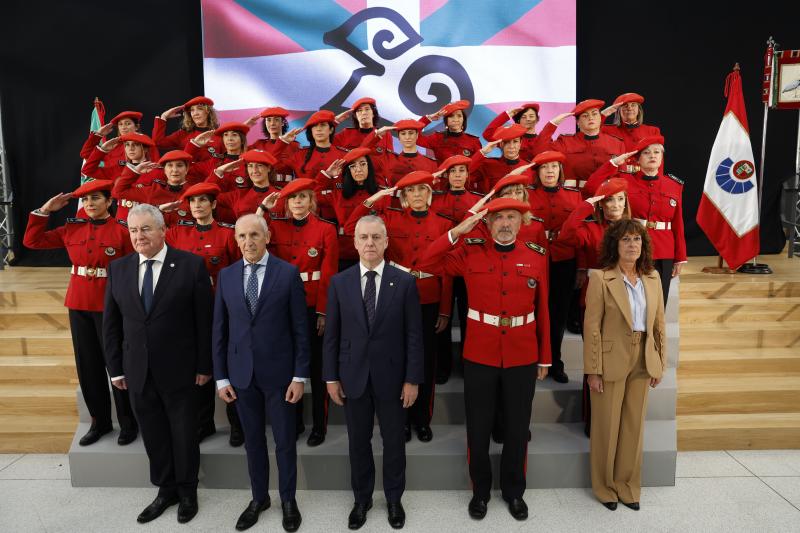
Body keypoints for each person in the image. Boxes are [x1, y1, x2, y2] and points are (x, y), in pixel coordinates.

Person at [419, 198, 550, 521]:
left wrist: (544, 357)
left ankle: (513, 492)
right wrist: (457, 232)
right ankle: (480, 491)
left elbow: (544, 309)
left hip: (521, 353)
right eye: (498, 219)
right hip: (480, 353)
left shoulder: (535, 257)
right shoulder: (469, 253)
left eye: (511, 218)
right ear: (487, 224)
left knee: (518, 429)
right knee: (477, 428)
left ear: (521, 223)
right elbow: (427, 261)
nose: (505, 224)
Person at [103, 203, 213, 524]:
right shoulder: (118, 269)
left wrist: (204, 366)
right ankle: (165, 489)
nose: (139, 236)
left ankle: (188, 490)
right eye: (134, 230)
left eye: (146, 229)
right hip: (137, 370)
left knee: (183, 433)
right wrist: (116, 368)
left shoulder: (191, 266)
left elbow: (204, 322)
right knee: (153, 433)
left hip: (181, 369)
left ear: (163, 230)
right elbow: (111, 325)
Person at [322, 215, 424, 530]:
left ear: (386, 241)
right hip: (352, 376)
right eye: (364, 237)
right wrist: (330, 377)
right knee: (358, 442)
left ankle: (394, 499)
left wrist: (412, 379)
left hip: (393, 378)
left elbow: (413, 336)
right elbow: (333, 336)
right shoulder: (340, 282)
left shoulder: (404, 282)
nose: (369, 243)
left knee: (394, 441)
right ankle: (362, 499)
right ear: (354, 242)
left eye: (376, 237)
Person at [212, 214, 309, 532]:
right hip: (241, 376)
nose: (248, 241)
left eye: (254, 234)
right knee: (253, 442)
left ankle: (288, 500)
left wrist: (299, 376)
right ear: (236, 240)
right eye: (241, 236)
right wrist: (221, 376)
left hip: (280, 377)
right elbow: (220, 331)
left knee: (284, 442)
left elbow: (300, 329)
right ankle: (258, 498)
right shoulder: (225, 276)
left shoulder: (288, 273)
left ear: (267, 237)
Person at [23, 180, 138, 446]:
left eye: (96, 198)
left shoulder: (122, 230)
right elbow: (33, 241)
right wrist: (44, 210)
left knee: (116, 365)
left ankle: (128, 422)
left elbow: (134, 268)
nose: (89, 204)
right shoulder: (72, 228)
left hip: (111, 305)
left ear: (109, 202)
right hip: (78, 303)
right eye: (85, 200)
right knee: (88, 367)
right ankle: (100, 422)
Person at [346, 171, 453, 443]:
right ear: (403, 197)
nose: (417, 195)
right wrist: (375, 198)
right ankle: (401, 420)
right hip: (394, 296)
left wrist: (444, 309)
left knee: (425, 361)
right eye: (411, 191)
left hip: (429, 297)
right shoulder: (390, 219)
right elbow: (351, 227)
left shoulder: (443, 224)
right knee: (396, 361)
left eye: (422, 190)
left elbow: (448, 271)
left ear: (430, 194)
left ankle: (422, 419)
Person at [584, 218, 666, 512]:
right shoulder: (601, 278)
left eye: (636, 240)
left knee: (633, 427)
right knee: (607, 426)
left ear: (643, 246)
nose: (632, 245)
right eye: (626, 240)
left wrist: (660, 361)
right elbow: (592, 327)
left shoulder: (653, 278)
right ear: (615, 245)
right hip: (611, 358)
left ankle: (627, 485)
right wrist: (593, 370)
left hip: (643, 356)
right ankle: (604, 486)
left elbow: (658, 324)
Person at [164, 182, 244, 447]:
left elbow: (238, 272)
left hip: (222, 306)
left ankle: (236, 424)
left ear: (212, 205)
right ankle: (204, 423)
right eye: (193, 202)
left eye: (202, 201)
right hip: (188, 310)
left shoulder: (226, 234)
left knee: (229, 364)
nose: (197, 206)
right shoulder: (176, 234)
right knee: (199, 365)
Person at [557, 178, 631, 436]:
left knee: (621, 360)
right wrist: (586, 206)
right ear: (601, 204)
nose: (615, 205)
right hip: (595, 301)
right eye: (609, 199)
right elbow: (566, 235)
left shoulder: (634, 229)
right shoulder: (591, 229)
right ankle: (593, 418)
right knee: (595, 362)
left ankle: (618, 416)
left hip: (627, 302)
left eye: (620, 199)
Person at [268, 178, 339, 446]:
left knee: (319, 368)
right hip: (283, 306)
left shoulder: (326, 229)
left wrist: (323, 311)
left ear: (312, 201)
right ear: (286, 203)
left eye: (303, 197)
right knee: (288, 367)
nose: (297, 202)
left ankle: (319, 426)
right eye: (292, 198)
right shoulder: (274, 227)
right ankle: (294, 421)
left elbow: (329, 274)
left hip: (312, 304)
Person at [583, 135, 686, 303]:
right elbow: (591, 188)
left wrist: (680, 256)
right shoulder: (625, 181)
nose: (652, 156)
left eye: (657, 152)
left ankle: (655, 331)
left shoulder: (674, 185)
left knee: (659, 302)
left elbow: (678, 222)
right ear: (637, 158)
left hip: (664, 250)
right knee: (632, 302)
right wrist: (614, 164)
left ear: (662, 157)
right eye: (646, 153)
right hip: (631, 248)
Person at [527, 151, 581, 383]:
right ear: (537, 173)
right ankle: (531, 361)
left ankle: (555, 362)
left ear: (560, 171)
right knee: (532, 313)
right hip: (532, 261)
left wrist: (582, 267)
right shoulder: (526, 197)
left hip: (563, 261)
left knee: (557, 314)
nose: (550, 171)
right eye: (544, 167)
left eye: (554, 167)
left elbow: (580, 235)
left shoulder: (574, 197)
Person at [535, 99, 626, 193]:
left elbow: (623, 175)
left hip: (608, 196)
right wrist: (553, 124)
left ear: (601, 117)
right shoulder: (566, 142)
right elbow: (539, 151)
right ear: (577, 123)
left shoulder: (617, 143)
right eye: (585, 116)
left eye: (594, 114)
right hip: (577, 196)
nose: (590, 118)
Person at [469, 124, 532, 193]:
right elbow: (466, 176)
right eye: (507, 142)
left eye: (515, 141)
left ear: (520, 143)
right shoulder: (488, 164)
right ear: (501, 144)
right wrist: (482, 152)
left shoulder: (529, 168)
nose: (511, 146)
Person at [416, 100, 483, 163]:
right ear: (446, 120)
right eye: (451, 116)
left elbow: (478, 165)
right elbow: (415, 137)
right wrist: (428, 118)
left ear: (463, 119)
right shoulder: (437, 138)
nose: (455, 119)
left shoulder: (474, 141)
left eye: (459, 116)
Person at [152, 96, 220, 152]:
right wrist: (163, 117)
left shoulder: (220, 134)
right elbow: (158, 143)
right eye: (192, 110)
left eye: (200, 109)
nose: (195, 113)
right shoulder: (182, 134)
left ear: (208, 111)